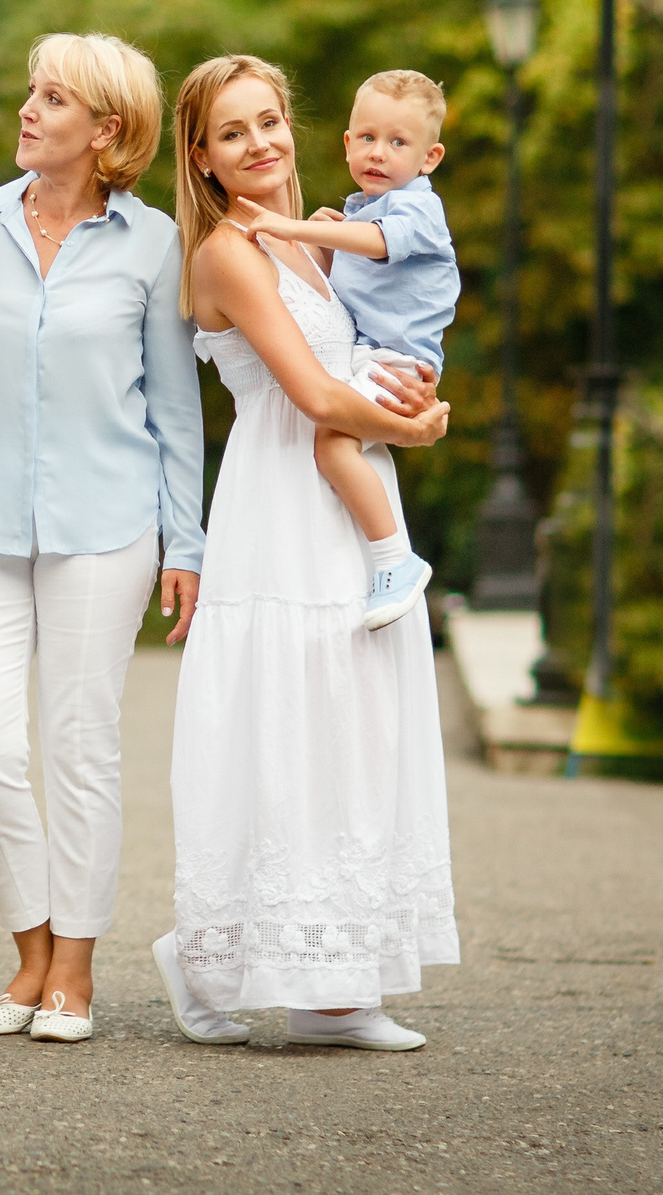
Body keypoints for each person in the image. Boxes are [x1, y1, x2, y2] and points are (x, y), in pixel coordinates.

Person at [0, 33, 205, 1046]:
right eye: (32, 91)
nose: (28, 110)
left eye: (54, 99)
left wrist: (183, 545)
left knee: (81, 747)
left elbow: (175, 408)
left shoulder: (154, 245)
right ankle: (29, 949)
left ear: (106, 131)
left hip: (106, 526)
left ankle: (73, 971)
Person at [156, 54, 457, 1053]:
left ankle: (334, 984)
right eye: (232, 132)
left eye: (270, 120)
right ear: (200, 157)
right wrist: (413, 431)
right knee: (288, 719)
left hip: (345, 493)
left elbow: (364, 361)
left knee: (352, 719)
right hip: (283, 497)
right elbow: (315, 397)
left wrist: (416, 402)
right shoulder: (231, 254)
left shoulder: (318, 248)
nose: (260, 144)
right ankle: (214, 959)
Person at [234, 68, 459, 628]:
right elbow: (348, 288)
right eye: (367, 138)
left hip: (395, 360)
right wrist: (320, 238)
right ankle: (388, 557)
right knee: (338, 447)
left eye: (397, 143)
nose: (378, 153)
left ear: (429, 158)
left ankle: (395, 561)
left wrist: (294, 230)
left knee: (332, 446)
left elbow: (379, 244)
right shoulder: (362, 208)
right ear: (347, 142)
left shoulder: (415, 210)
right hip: (373, 355)